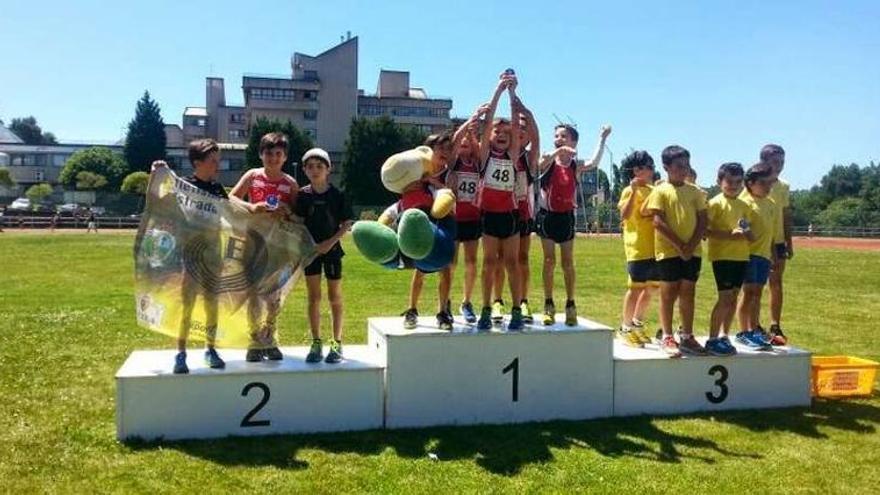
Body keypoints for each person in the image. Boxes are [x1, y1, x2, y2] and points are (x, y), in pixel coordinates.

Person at [150, 139, 227, 374]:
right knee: (187, 305)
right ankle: (180, 353)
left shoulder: (217, 189)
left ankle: (210, 349)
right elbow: (154, 202)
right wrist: (155, 176)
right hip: (190, 256)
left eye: (218, 160)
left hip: (214, 255)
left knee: (212, 305)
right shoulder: (182, 187)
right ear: (197, 163)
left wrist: (257, 210)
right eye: (213, 160)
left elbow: (235, 213)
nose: (217, 165)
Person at [230, 132, 299, 362]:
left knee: (273, 296)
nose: (273, 158)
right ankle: (255, 341)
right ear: (261, 154)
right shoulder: (252, 176)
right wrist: (252, 207)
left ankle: (269, 339)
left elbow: (299, 219)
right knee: (252, 294)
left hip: (278, 248)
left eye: (278, 154)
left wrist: (287, 212)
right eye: (269, 153)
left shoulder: (290, 184)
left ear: (285, 157)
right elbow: (231, 198)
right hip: (252, 242)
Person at [536, 124, 611, 326]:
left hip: (566, 217)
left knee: (567, 263)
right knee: (549, 261)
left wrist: (602, 138)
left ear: (574, 142)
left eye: (564, 136)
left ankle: (570, 304)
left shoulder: (575, 166)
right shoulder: (549, 158)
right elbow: (539, 164)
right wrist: (557, 152)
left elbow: (594, 162)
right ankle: (548, 304)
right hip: (547, 216)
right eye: (556, 136)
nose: (559, 139)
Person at [646, 145, 707, 357]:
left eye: (687, 165)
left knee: (688, 293)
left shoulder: (695, 192)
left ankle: (687, 336)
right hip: (668, 252)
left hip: (693, 252)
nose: (684, 169)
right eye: (679, 166)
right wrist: (680, 246)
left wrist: (690, 246)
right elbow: (658, 221)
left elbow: (702, 220)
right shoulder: (660, 190)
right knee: (668, 293)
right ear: (666, 167)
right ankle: (668, 336)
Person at [474, 72, 524, 331]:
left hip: (509, 215)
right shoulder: (484, 154)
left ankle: (516, 309)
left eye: (506, 132)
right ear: (490, 136)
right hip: (489, 215)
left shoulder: (514, 153)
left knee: (512, 262)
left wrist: (513, 92)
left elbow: (516, 125)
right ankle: (485, 307)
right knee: (489, 262)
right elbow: (489, 118)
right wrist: (498, 90)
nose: (503, 133)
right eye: (497, 131)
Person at [294, 148, 354, 364]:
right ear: (304, 170)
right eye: (310, 166)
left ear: (329, 169)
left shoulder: (337, 195)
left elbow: (347, 223)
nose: (315, 170)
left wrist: (330, 242)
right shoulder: (302, 195)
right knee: (313, 298)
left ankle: (336, 343)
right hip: (310, 253)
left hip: (332, 252)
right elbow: (298, 223)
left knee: (334, 297)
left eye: (319, 166)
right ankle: (316, 342)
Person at [400, 131, 457, 330]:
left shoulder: (450, 172)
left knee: (446, 268)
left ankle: (442, 312)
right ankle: (412, 310)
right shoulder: (417, 171)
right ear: (429, 150)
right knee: (420, 267)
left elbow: (451, 192)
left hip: (445, 221)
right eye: (441, 148)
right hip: (423, 219)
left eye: (449, 149)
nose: (445, 152)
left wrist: (433, 183)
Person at [491, 96, 540, 324]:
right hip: (502, 211)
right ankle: (497, 301)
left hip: (523, 214)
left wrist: (526, 111)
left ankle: (523, 300)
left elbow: (537, 138)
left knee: (522, 259)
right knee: (499, 259)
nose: (520, 130)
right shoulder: (502, 154)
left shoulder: (528, 157)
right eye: (516, 127)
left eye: (524, 128)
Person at [704, 162, 753, 356]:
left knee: (733, 297)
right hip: (722, 256)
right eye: (729, 181)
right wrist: (728, 235)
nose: (733, 185)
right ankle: (712, 339)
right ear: (719, 181)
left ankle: (725, 335)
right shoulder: (715, 203)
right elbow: (705, 231)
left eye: (738, 182)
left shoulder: (744, 205)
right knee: (724, 298)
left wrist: (747, 234)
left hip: (741, 256)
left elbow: (748, 229)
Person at [616, 150, 657, 347]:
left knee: (651, 289)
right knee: (635, 288)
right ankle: (624, 328)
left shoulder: (654, 190)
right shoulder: (628, 190)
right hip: (637, 246)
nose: (645, 170)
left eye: (648, 166)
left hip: (656, 247)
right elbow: (624, 215)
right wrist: (632, 192)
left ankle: (637, 324)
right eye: (640, 167)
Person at [735, 163, 777, 350]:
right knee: (748, 292)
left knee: (757, 293)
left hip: (764, 255)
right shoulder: (744, 202)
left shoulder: (770, 204)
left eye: (770, 183)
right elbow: (740, 226)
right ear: (750, 183)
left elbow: (772, 233)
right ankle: (744, 332)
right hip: (748, 254)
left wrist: (773, 254)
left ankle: (754, 329)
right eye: (764, 183)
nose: (769, 187)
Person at [446, 121, 483, 324]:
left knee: (471, 262)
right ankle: (447, 301)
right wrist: (467, 126)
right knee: (451, 263)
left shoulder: (477, 162)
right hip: (453, 218)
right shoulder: (454, 163)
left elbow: (479, 149)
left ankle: (466, 302)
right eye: (462, 140)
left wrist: (472, 133)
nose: (465, 142)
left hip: (473, 218)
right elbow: (455, 143)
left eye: (469, 139)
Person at [762, 144, 792, 345]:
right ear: (764, 162)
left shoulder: (783, 186)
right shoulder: (755, 183)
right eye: (775, 162)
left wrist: (789, 242)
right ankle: (751, 325)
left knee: (776, 283)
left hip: (779, 241)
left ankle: (775, 324)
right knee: (752, 287)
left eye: (782, 162)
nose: (779, 166)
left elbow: (785, 215)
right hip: (760, 243)